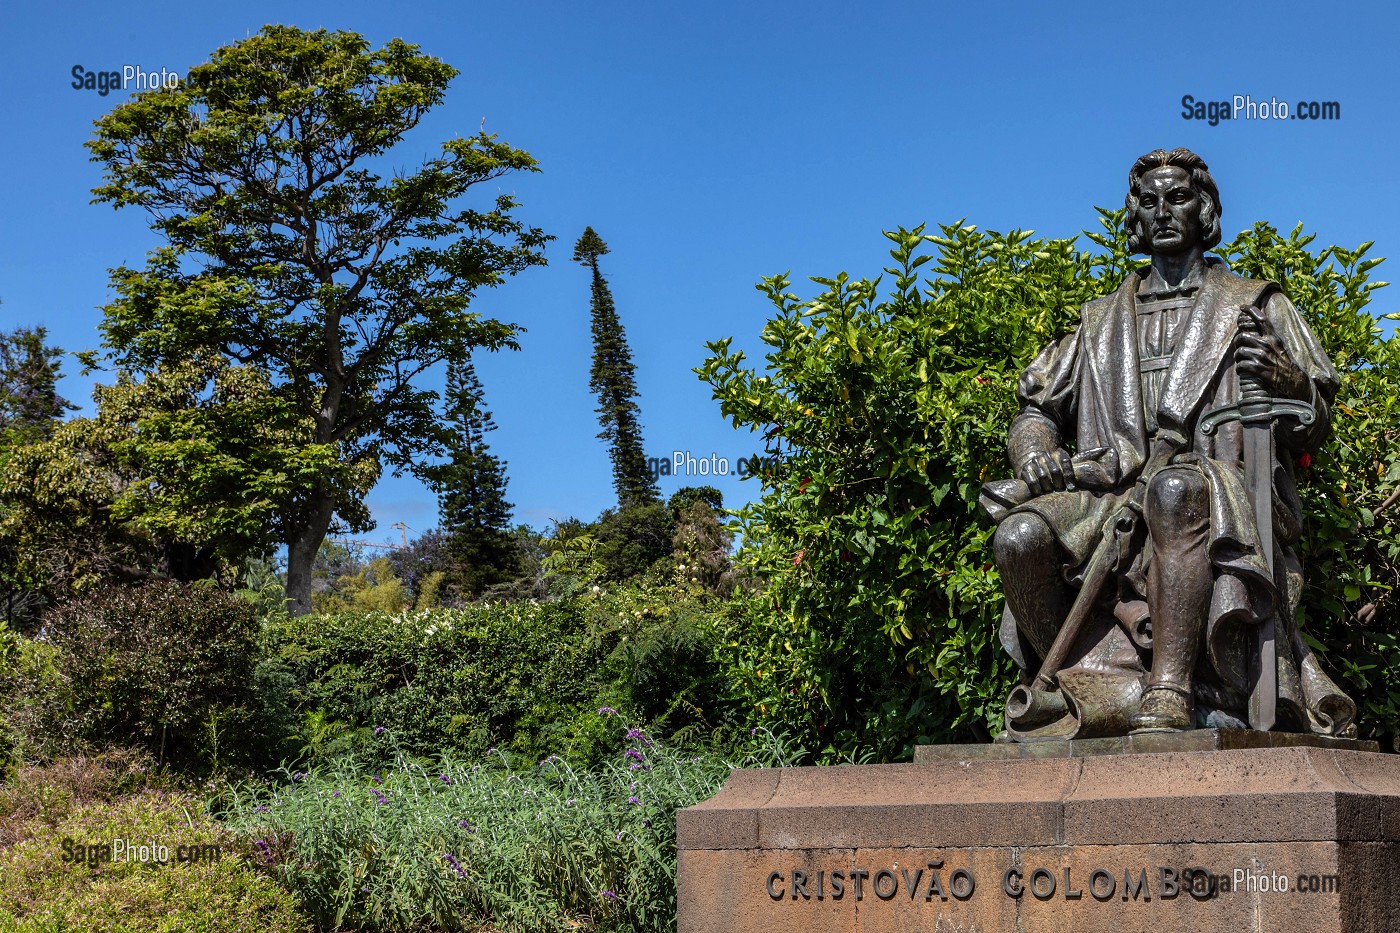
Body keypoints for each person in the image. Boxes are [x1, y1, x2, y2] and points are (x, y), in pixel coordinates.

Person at [982, 148, 1355, 739]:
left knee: (1174, 489)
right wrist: (1035, 453)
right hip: (1110, 491)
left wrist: (1292, 384)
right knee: (1020, 534)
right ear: (1135, 216)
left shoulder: (1255, 305)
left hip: (1221, 489)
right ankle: (1075, 682)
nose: (1162, 211)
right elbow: (1035, 410)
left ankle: (1170, 689)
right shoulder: (1099, 321)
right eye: (1148, 201)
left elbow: (1314, 423)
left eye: (1176, 197)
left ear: (1203, 209)